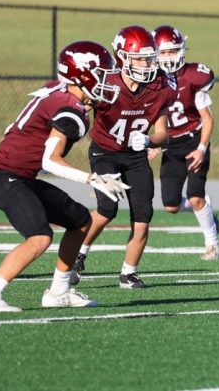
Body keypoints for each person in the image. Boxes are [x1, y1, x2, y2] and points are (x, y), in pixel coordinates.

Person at [0, 42, 130, 312]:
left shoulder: (60, 91)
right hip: (6, 177)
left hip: (21, 177)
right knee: (40, 237)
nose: (107, 81)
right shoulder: (70, 108)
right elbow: (49, 161)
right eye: (101, 74)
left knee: (80, 221)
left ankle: (59, 292)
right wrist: (93, 179)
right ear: (82, 75)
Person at [74, 26, 176, 289]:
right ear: (122, 57)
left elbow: (163, 134)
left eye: (150, 57)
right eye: (140, 58)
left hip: (135, 156)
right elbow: (78, 110)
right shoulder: (106, 83)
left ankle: (128, 273)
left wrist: (149, 140)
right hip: (104, 152)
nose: (147, 63)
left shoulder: (160, 87)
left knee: (143, 216)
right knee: (107, 208)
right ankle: (78, 253)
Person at [148, 25, 219, 260]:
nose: (169, 58)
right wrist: (154, 143)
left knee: (195, 196)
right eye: (164, 53)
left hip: (194, 140)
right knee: (170, 205)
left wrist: (202, 148)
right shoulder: (152, 80)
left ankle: (212, 245)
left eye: (173, 51)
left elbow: (207, 119)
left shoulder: (193, 76)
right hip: (171, 144)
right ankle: (205, 207)